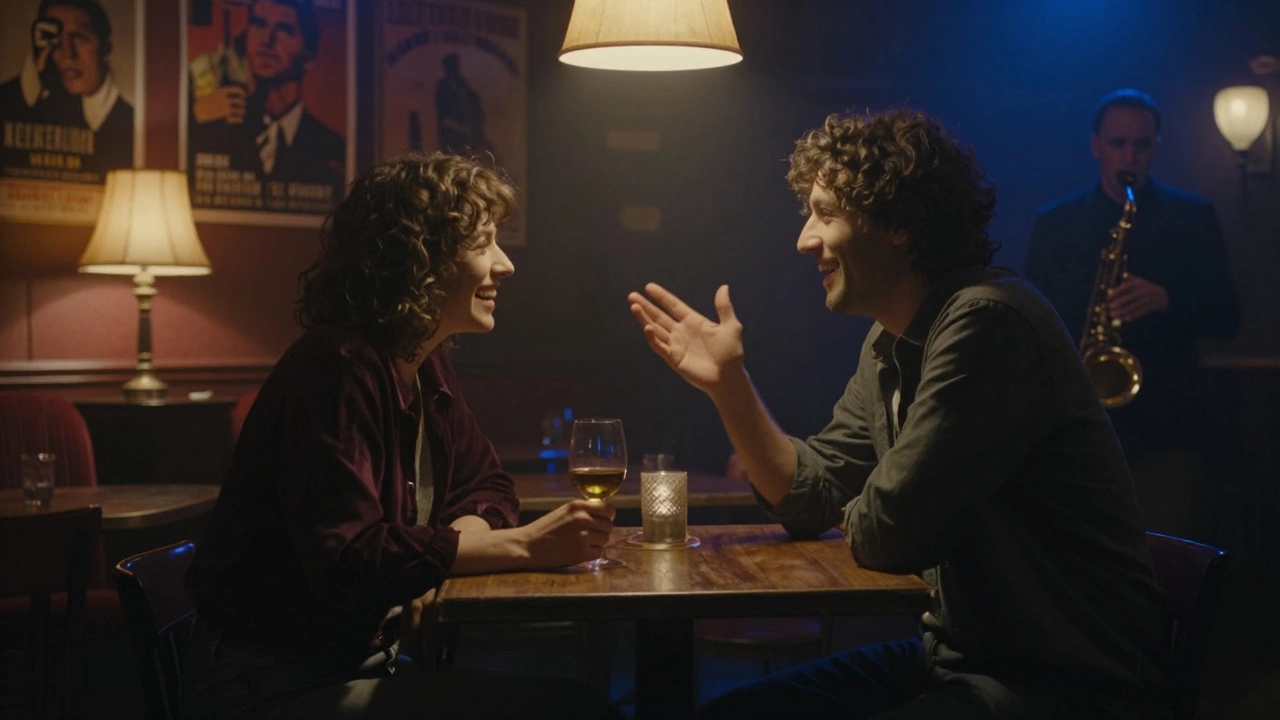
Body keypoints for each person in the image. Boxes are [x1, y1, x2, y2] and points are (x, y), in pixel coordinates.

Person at [629, 110, 1170, 719]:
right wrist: (730, 387)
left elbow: (888, 531)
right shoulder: (889, 344)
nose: (805, 239)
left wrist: (863, 509)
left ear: (899, 223)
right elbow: (813, 493)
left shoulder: (988, 322)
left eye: (826, 214)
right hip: (959, 660)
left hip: (1062, 683)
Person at [183, 152, 622, 720]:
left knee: (577, 705)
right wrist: (521, 546)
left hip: (355, 663)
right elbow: (349, 559)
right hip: (272, 684)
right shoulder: (338, 367)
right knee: (580, 712)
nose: (506, 265)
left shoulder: (424, 361)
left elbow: (484, 485)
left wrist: (433, 572)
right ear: (420, 258)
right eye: (483, 243)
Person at [1025, 89, 1240, 538]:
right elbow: (1031, 321)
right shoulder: (1057, 223)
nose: (1130, 155)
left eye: (1141, 145)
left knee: (1161, 558)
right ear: (1096, 146)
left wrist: (1168, 300)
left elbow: (1228, 317)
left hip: (1167, 428)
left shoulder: (1193, 218)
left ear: (1156, 146)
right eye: (1119, 143)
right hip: (1078, 428)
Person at [188, 0, 345, 204]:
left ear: (310, 55)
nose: (266, 40)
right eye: (258, 24)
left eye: (284, 30)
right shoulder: (211, 122)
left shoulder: (333, 149)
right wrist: (196, 118)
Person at [0, 0, 134, 180]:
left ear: (105, 47)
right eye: (53, 40)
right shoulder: (10, 101)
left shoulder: (133, 125)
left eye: (80, 37)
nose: (68, 54)